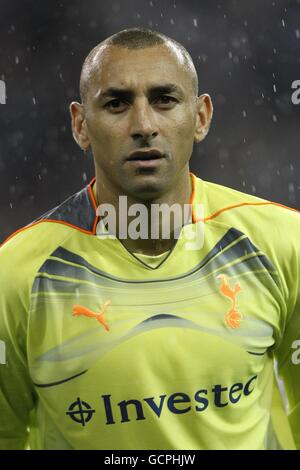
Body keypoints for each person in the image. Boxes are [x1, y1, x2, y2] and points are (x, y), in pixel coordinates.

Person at [0, 27, 299, 451]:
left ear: (200, 117)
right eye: (117, 103)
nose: (143, 125)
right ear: (81, 125)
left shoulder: (283, 243)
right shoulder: (15, 275)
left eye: (164, 100)